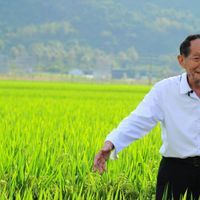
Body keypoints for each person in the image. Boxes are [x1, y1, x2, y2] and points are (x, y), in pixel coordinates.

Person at [93, 34, 200, 200]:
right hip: (176, 172)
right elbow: (139, 120)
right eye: (197, 58)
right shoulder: (165, 90)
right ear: (181, 60)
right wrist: (111, 142)